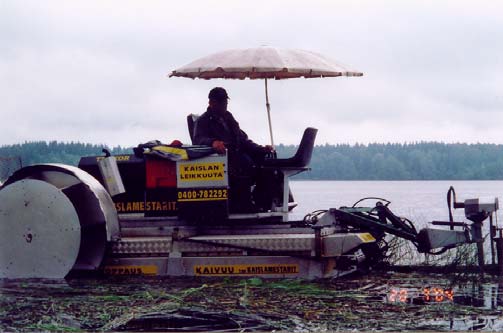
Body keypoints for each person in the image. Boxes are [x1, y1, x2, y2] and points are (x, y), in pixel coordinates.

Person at [193, 87, 273, 212]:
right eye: (220, 102)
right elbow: (198, 139)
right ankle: (244, 205)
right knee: (245, 166)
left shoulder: (228, 117)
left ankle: (261, 204)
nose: (224, 105)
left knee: (266, 167)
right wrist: (213, 142)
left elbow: (243, 139)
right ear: (211, 103)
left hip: (238, 155)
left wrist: (261, 149)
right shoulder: (202, 121)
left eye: (225, 101)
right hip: (223, 160)